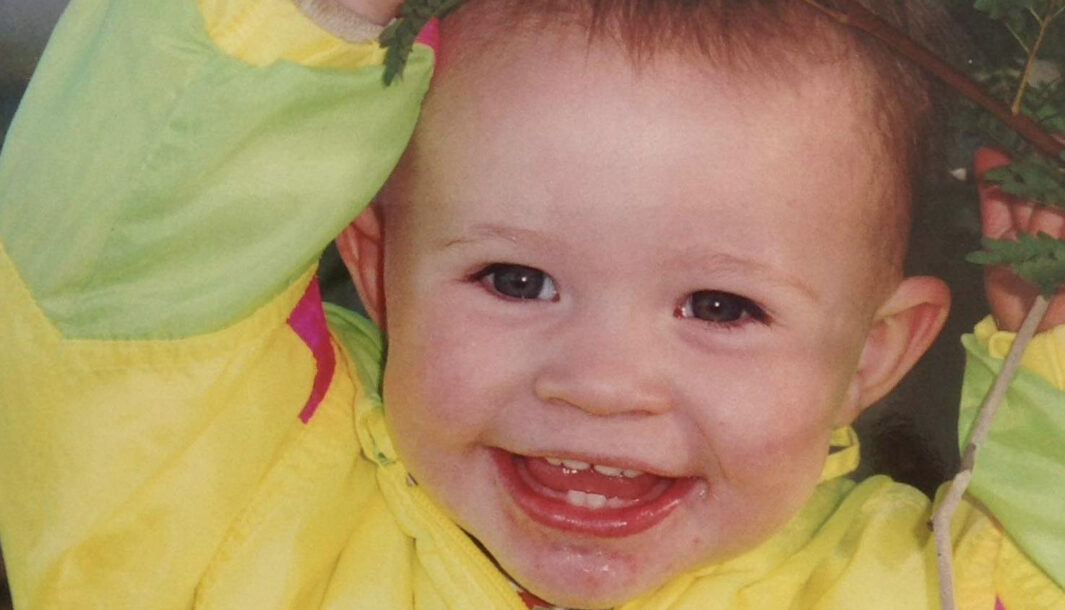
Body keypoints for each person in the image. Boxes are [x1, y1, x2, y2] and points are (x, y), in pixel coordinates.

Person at [0, 0, 1062, 608]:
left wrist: (1052, 354)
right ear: (374, 270)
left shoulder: (934, 588)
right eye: (515, 280)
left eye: (721, 306)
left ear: (872, 359)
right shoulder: (229, 507)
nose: (599, 383)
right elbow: (119, 277)